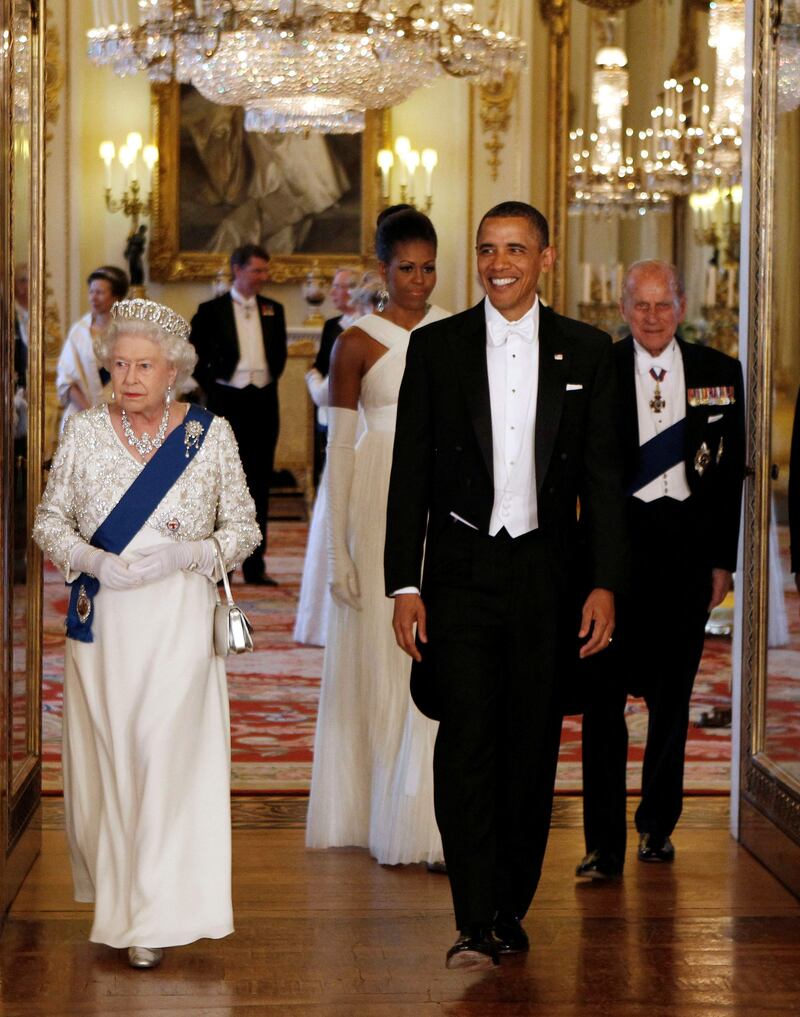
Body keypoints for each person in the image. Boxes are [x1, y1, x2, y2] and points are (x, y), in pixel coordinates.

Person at [384, 201, 627, 969]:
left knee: (529, 747)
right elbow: (409, 475)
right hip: (459, 574)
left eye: (515, 249)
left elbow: (607, 482)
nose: (499, 263)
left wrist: (605, 585)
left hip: (548, 576)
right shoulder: (439, 346)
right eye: (488, 249)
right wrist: (403, 583)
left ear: (544, 259)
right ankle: (472, 910)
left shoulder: (589, 351)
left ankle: (510, 905)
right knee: (465, 741)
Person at [33, 297, 260, 969]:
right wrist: (92, 558)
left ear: (175, 371)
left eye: (145, 366)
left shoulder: (208, 435)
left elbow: (244, 526)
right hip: (102, 620)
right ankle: (123, 898)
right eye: (119, 364)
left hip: (180, 622)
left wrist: (191, 554)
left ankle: (154, 913)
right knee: (113, 763)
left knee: (164, 757)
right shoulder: (83, 431)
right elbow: (50, 521)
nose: (130, 377)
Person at [577, 260, 744, 881]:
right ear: (622, 308)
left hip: (685, 557)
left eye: (663, 305)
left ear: (681, 305)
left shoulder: (719, 373)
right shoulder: (600, 369)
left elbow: (729, 479)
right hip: (615, 559)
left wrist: (722, 560)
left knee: (673, 700)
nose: (652, 317)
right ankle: (601, 845)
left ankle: (656, 826)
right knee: (603, 702)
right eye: (640, 305)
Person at [305, 208, 449, 866]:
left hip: (443, 505)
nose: (417, 281)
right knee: (377, 659)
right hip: (373, 503)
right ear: (382, 267)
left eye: (427, 268)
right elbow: (337, 451)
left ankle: (428, 811)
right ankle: (374, 805)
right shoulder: (355, 342)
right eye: (405, 269)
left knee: (434, 657)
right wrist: (337, 550)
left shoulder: (459, 331)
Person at [189, 243, 288, 585]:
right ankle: (222, 565)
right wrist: (216, 386)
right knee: (225, 484)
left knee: (259, 483)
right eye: (257, 270)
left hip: (263, 402)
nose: (263, 277)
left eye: (265, 270)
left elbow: (279, 356)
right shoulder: (211, 310)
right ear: (238, 269)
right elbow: (194, 357)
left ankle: (255, 565)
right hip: (226, 402)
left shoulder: (274, 308)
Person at [294, 269, 381, 647]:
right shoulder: (386, 340)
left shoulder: (355, 340)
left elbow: (328, 391)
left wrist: (312, 379)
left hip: (358, 435)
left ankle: (327, 621)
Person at [56, 265, 129, 431]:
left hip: (121, 419)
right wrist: (92, 416)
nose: (93, 298)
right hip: (81, 418)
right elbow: (67, 380)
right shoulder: (79, 332)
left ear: (116, 297)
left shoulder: (130, 331)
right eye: (91, 292)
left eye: (100, 293)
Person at [306, 266, 361, 485]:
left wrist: (312, 379)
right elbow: (320, 365)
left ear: (354, 291)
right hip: (328, 408)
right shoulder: (331, 326)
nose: (332, 293)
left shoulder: (364, 324)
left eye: (338, 287)